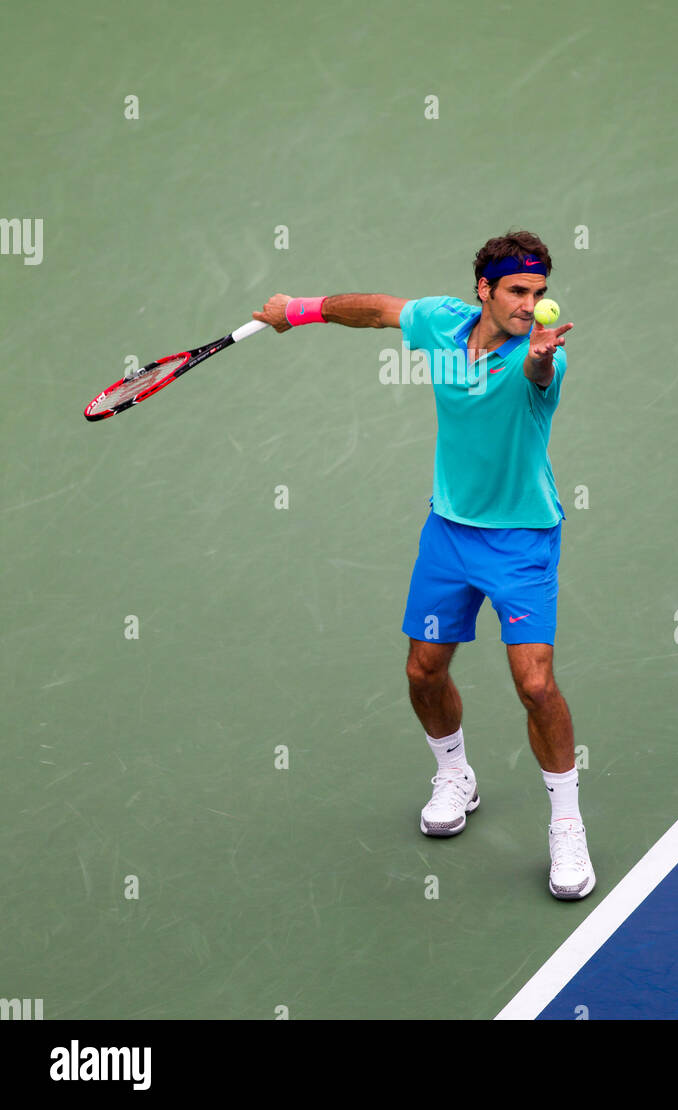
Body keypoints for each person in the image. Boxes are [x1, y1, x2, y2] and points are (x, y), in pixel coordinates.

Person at [254, 229, 595, 899]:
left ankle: (566, 823)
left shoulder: (540, 355)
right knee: (423, 669)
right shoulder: (442, 324)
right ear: (485, 290)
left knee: (534, 684)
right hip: (449, 531)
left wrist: (544, 359)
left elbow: (538, 375)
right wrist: (296, 310)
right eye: (519, 291)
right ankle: (456, 774)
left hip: (522, 538)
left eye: (540, 294)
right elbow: (378, 307)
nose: (532, 306)